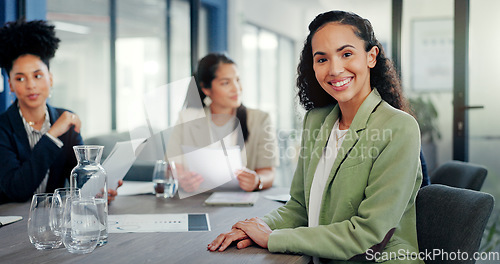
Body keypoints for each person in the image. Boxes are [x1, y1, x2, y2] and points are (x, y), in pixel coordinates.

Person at [208, 11, 424, 263]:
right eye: (322, 59)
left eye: (346, 54)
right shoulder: (316, 121)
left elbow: (370, 234)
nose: (334, 69)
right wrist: (253, 227)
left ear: (371, 57)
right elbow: (299, 207)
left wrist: (272, 239)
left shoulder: (399, 127)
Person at [0, 19, 121, 204]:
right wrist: (53, 134)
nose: (31, 85)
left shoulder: (66, 121)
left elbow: (80, 183)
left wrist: (99, 190)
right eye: (20, 78)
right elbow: (17, 190)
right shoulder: (3, 127)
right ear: (11, 85)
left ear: (51, 79)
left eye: (37, 76)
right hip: (9, 224)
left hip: (53, 221)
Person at [167, 53, 279, 193]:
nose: (236, 88)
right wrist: (183, 179)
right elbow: (171, 168)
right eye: (226, 83)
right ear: (206, 89)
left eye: (237, 80)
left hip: (243, 202)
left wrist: (257, 180)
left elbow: (269, 172)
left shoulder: (260, 119)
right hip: (198, 200)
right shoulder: (187, 119)